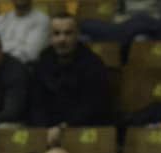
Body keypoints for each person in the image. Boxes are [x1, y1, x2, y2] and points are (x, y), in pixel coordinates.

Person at [27, 14, 113, 144]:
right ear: (50, 37)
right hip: (48, 130)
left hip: (84, 129)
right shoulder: (44, 60)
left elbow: (92, 106)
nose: (62, 39)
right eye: (57, 33)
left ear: (77, 35)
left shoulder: (93, 64)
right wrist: (44, 129)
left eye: (68, 33)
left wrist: (63, 127)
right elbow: (36, 102)